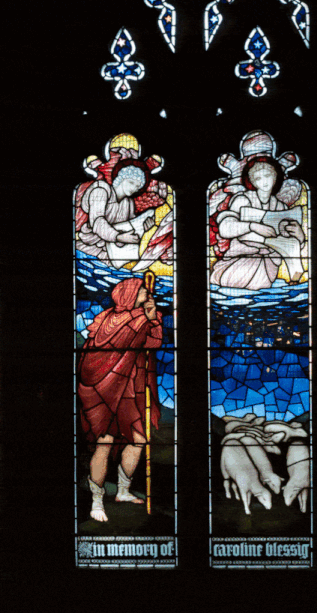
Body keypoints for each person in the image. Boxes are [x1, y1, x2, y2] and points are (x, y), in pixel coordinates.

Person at [78, 277, 162, 522]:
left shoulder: (138, 317)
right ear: (129, 294)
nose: (146, 291)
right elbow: (124, 339)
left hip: (129, 388)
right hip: (104, 391)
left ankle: (123, 491)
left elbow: (152, 344)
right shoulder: (114, 319)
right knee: (104, 443)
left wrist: (153, 319)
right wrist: (147, 318)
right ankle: (96, 501)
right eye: (141, 289)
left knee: (138, 440)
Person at [210, 156, 305, 290]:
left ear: (275, 176)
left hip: (268, 266)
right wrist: (252, 226)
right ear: (252, 181)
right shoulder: (243, 200)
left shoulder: (281, 206)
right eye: (258, 178)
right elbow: (225, 228)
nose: (264, 181)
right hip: (240, 261)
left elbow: (289, 246)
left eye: (267, 175)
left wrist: (300, 237)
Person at [77, 160, 155, 269]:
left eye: (137, 186)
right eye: (131, 182)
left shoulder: (128, 203)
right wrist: (118, 237)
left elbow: (130, 227)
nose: (134, 188)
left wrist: (146, 229)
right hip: (91, 248)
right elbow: (97, 221)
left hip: (114, 252)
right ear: (121, 178)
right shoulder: (101, 190)